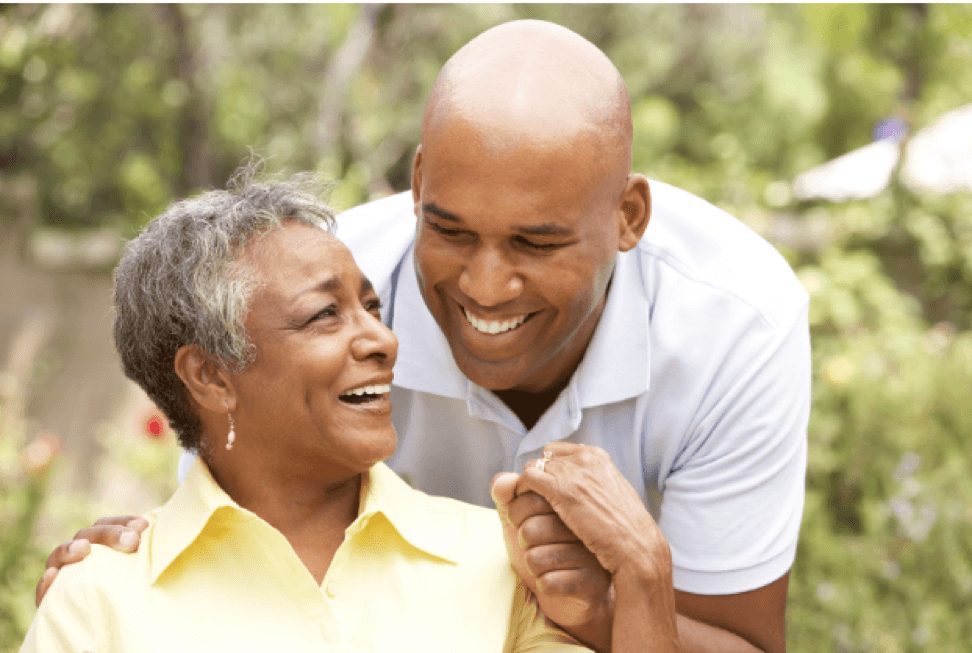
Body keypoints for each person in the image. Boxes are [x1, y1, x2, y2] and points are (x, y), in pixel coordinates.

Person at [37, 20, 809, 653]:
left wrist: (625, 591)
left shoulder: (736, 322)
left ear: (628, 219)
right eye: (449, 230)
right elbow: (233, 479)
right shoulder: (323, 272)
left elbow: (743, 640)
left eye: (536, 245)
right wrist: (120, 573)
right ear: (415, 185)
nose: (485, 283)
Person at [22, 171, 606, 651]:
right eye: (325, 314)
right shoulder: (97, 604)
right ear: (210, 376)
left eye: (371, 308)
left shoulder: (504, 564)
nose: (382, 340)